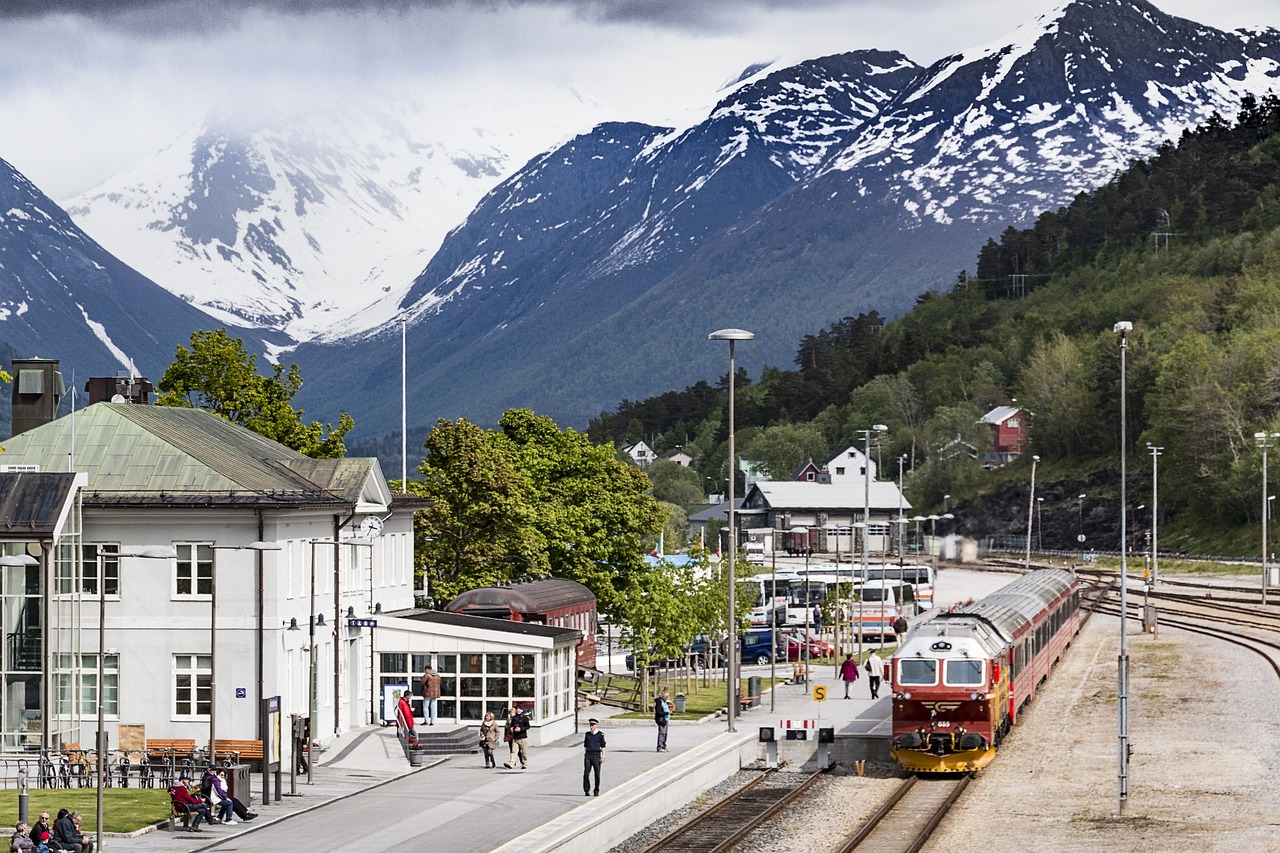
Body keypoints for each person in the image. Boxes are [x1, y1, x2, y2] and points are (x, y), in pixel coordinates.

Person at [582, 717, 606, 796]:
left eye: (593, 725)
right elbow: (585, 745)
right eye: (590, 725)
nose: (591, 726)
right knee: (586, 773)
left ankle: (596, 790)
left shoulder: (600, 735)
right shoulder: (587, 734)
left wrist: (603, 756)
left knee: (597, 774)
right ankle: (586, 790)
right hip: (588, 755)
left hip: (596, 755)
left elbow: (603, 746)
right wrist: (586, 754)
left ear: (596, 725)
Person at [503, 704, 530, 769]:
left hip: (523, 737)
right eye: (517, 709)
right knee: (514, 751)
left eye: (519, 709)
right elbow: (511, 725)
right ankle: (511, 763)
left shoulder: (525, 718)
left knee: (524, 752)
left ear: (522, 710)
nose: (518, 710)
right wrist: (512, 728)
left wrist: (521, 729)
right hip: (515, 738)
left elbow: (528, 726)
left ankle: (524, 764)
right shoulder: (514, 718)